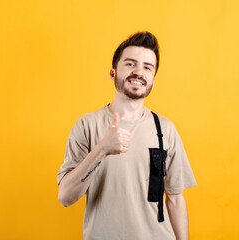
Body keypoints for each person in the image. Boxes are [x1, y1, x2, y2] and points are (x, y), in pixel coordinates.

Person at [57, 31, 197, 240]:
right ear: (113, 73)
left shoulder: (165, 129)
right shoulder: (87, 125)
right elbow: (66, 197)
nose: (139, 72)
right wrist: (102, 149)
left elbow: (175, 199)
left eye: (147, 67)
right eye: (130, 64)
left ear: (153, 80)